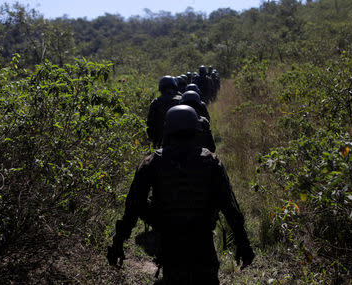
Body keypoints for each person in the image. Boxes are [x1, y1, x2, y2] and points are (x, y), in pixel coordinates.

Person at [107, 105, 254, 285]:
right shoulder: (211, 162)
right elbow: (230, 206)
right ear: (196, 130)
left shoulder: (152, 162)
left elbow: (133, 207)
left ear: (168, 129)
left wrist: (119, 242)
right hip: (202, 241)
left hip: (170, 242)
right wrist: (243, 244)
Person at [146, 76, 182, 147]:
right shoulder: (182, 99)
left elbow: (150, 123)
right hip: (181, 138)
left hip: (161, 140)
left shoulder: (156, 102)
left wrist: (153, 140)